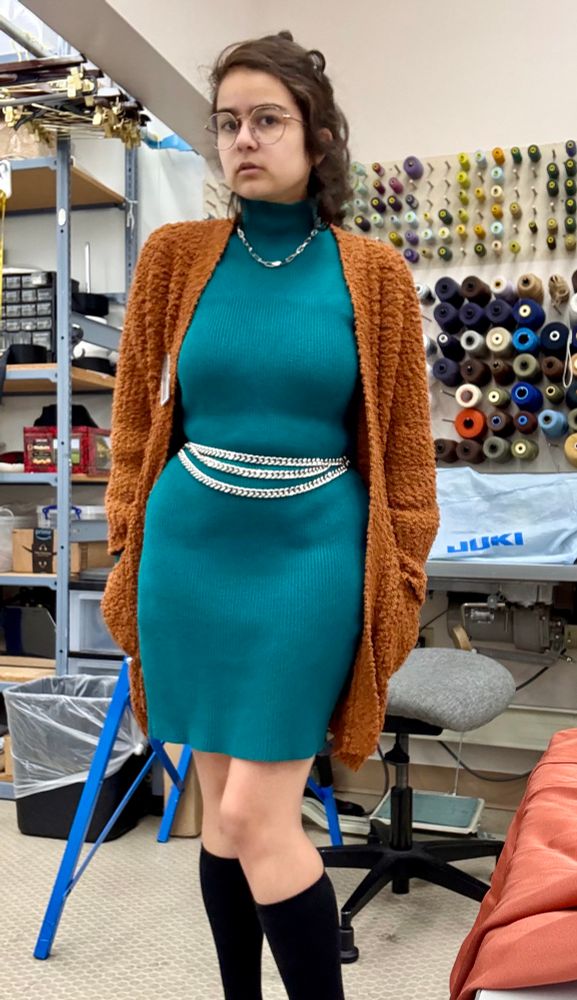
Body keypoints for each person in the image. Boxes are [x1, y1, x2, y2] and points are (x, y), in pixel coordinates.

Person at [102, 29, 439, 1000]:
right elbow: (136, 421)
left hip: (311, 562)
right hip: (189, 556)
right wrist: (125, 539)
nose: (243, 139)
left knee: (256, 814)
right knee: (221, 813)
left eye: (267, 120)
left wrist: (402, 574)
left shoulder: (371, 274)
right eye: (227, 123)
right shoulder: (175, 259)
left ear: (317, 137)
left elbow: (405, 456)